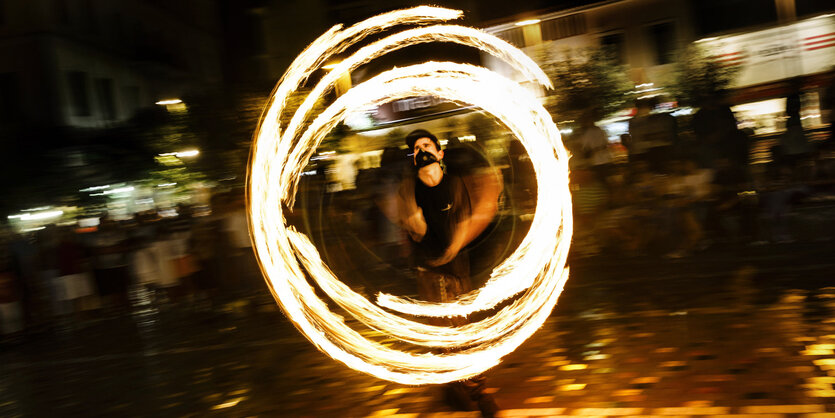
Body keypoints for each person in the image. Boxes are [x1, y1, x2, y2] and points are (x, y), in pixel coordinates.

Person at [386, 129, 501, 417]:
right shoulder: (409, 189)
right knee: (452, 335)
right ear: (413, 158)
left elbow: (465, 220)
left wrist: (455, 245)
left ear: (440, 153)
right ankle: (478, 393)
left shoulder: (456, 184)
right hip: (431, 272)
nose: (421, 150)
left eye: (427, 145)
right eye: (416, 148)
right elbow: (415, 228)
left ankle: (456, 387)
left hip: (458, 269)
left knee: (460, 334)